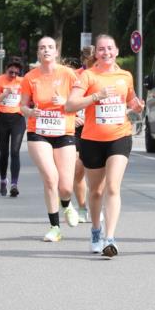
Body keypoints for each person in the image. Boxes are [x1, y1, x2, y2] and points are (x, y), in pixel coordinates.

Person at [66, 34, 144, 258]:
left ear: (117, 51)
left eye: (110, 48)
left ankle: (110, 238)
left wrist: (137, 106)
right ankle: (95, 231)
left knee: (112, 186)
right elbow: (71, 104)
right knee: (96, 191)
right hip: (92, 139)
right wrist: (96, 97)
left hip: (120, 136)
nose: (106, 52)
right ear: (95, 54)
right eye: (101, 49)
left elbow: (130, 100)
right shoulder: (88, 77)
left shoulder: (125, 76)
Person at [20, 37, 79, 242]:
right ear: (38, 53)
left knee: (65, 186)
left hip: (64, 131)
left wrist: (65, 102)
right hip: (39, 131)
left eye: (50, 47)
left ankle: (67, 203)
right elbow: (23, 106)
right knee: (50, 178)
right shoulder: (30, 77)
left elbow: (80, 101)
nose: (46, 50)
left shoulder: (68, 74)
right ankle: (55, 227)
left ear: (56, 52)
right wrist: (30, 112)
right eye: (42, 48)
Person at [0, 57, 26, 197]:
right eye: (11, 72)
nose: (13, 76)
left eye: (16, 73)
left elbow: (30, 99)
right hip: (2, 119)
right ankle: (3, 179)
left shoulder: (22, 82)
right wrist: (4, 94)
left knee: (15, 152)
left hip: (17, 119)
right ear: (7, 69)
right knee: (4, 153)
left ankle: (14, 184)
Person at [71, 45, 95, 222]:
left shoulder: (107, 75)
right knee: (78, 169)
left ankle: (96, 204)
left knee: (98, 173)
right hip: (77, 127)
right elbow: (65, 101)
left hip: (98, 127)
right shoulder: (74, 76)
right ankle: (82, 207)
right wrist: (71, 117)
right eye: (90, 59)